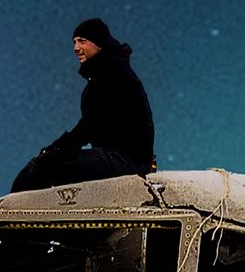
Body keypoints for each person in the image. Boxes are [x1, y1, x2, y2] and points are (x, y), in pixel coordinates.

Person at [10, 17, 158, 190]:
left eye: (82, 41)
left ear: (99, 44)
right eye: (74, 42)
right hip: (122, 159)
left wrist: (59, 148)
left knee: (44, 166)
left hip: (126, 161)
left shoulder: (113, 72)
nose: (76, 48)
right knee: (52, 164)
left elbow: (93, 121)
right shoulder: (106, 74)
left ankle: (14, 213)